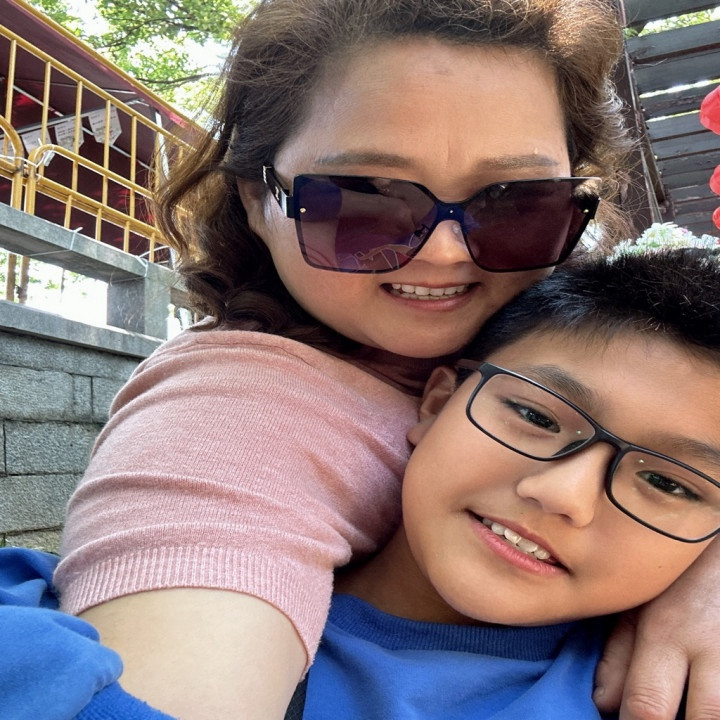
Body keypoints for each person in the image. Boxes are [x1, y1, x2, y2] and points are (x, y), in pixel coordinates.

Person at [4, 1, 717, 719]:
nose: (445, 251)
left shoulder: (582, 346)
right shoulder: (237, 408)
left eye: (513, 201)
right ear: (256, 198)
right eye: (365, 199)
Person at [284, 246, 720, 719]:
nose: (563, 495)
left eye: (666, 483)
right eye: (535, 416)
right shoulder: (236, 603)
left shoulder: (677, 693)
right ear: (438, 403)